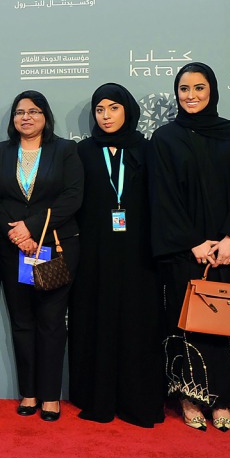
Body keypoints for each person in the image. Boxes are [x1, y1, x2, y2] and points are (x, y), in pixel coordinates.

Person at [150, 62, 230, 432]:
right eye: (184, 89)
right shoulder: (165, 139)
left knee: (224, 325)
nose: (191, 95)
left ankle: (222, 398)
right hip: (186, 252)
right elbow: (162, 198)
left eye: (199, 88)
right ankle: (188, 395)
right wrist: (193, 242)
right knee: (186, 325)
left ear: (212, 90)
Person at [70, 84, 164, 427]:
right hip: (95, 253)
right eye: (99, 110)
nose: (106, 116)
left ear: (127, 110)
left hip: (139, 253)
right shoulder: (82, 152)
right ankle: (98, 395)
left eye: (113, 108)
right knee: (97, 319)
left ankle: (136, 397)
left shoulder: (148, 149)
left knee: (138, 322)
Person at [0, 90, 83, 422]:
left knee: (52, 323)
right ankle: (28, 394)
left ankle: (50, 396)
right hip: (11, 249)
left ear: (45, 116)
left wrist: (29, 228)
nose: (25, 117)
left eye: (33, 111)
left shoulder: (65, 150)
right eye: (19, 112)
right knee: (22, 322)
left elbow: (73, 197)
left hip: (55, 247)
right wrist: (16, 234)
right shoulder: (0, 152)